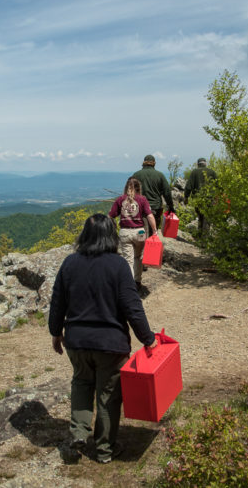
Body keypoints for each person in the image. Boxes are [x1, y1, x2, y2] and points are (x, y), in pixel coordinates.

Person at [48, 213, 158, 464]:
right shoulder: (118, 265)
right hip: (110, 345)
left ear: (84, 236)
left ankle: (78, 432)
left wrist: (56, 333)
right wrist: (148, 338)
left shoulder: (70, 263)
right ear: (112, 236)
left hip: (76, 342)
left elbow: (58, 303)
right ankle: (104, 450)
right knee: (108, 395)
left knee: (81, 384)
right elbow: (132, 307)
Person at [108, 177, 157, 289]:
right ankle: (137, 281)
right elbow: (149, 215)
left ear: (126, 187)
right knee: (138, 257)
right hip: (139, 231)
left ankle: (128, 284)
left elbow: (110, 216)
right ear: (138, 187)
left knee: (128, 259)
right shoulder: (142, 199)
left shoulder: (120, 200)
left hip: (125, 232)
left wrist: (112, 228)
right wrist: (154, 231)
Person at [132, 154, 174, 236]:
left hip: (139, 207)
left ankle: (141, 246)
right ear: (154, 163)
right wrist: (170, 206)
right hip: (155, 207)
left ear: (143, 163)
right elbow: (167, 192)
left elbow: (130, 191)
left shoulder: (136, 175)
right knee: (153, 231)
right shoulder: (160, 175)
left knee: (140, 230)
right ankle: (151, 246)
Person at [184, 157, 218, 233]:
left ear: (198, 164)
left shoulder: (194, 172)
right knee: (207, 218)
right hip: (210, 198)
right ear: (205, 164)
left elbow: (189, 186)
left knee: (200, 217)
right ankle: (205, 239)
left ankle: (199, 235)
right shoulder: (212, 172)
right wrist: (218, 197)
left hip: (198, 198)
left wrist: (186, 197)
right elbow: (218, 186)